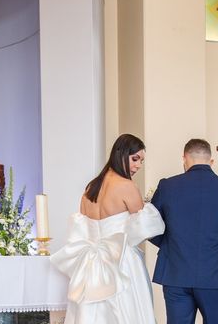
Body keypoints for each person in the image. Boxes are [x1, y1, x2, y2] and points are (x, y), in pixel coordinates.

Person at [50, 134, 165, 324]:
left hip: (91, 263)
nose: (138, 166)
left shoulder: (90, 189)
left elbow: (81, 230)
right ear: (121, 154)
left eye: (141, 161)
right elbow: (144, 228)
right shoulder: (126, 186)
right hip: (121, 260)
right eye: (135, 159)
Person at [150, 139, 218, 324]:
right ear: (211, 161)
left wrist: (171, 243)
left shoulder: (167, 186)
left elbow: (151, 226)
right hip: (214, 275)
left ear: (184, 158)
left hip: (176, 273)